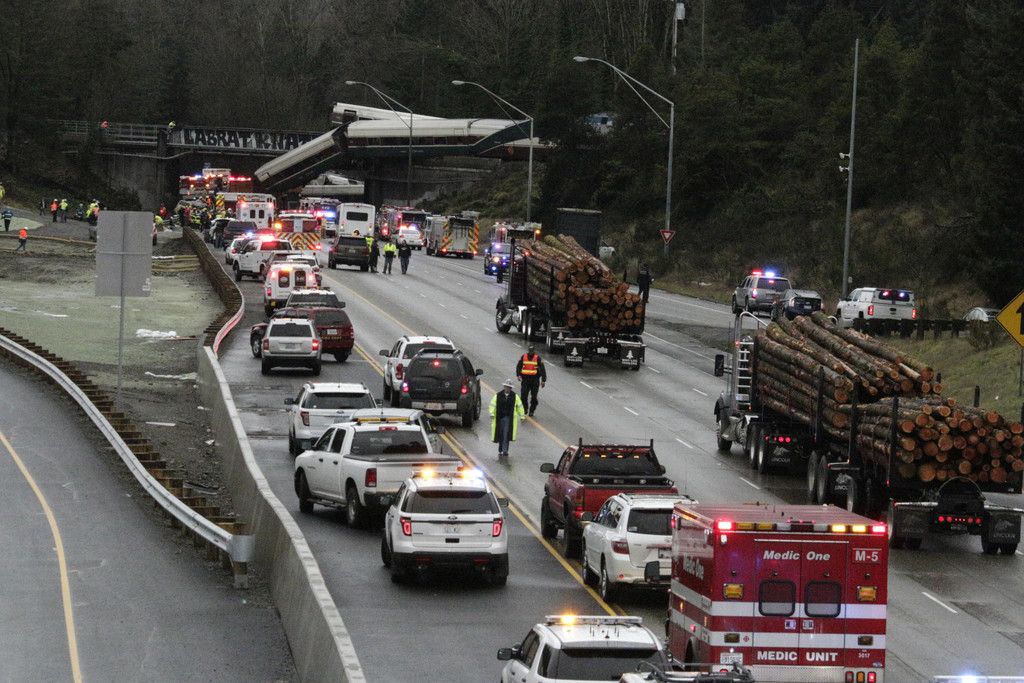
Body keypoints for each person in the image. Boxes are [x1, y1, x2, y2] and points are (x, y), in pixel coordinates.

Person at [489, 379, 525, 457]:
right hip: (499, 418)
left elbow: (519, 406)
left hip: (509, 419)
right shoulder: (498, 395)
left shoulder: (515, 396)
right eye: (506, 387)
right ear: (504, 386)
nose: (507, 388)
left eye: (509, 387)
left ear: (511, 388)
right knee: (500, 434)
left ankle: (505, 450)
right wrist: (491, 413)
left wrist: (522, 415)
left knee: (506, 434)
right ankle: (500, 448)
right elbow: (492, 405)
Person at [516, 344, 547, 416]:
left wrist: (543, 380)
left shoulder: (537, 358)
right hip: (525, 380)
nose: (531, 352)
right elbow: (519, 366)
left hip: (535, 380)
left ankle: (532, 410)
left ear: (534, 351)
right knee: (523, 396)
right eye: (530, 351)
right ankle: (525, 408)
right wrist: (518, 375)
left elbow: (542, 369)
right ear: (528, 351)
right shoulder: (524, 357)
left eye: (532, 351)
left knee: (534, 397)